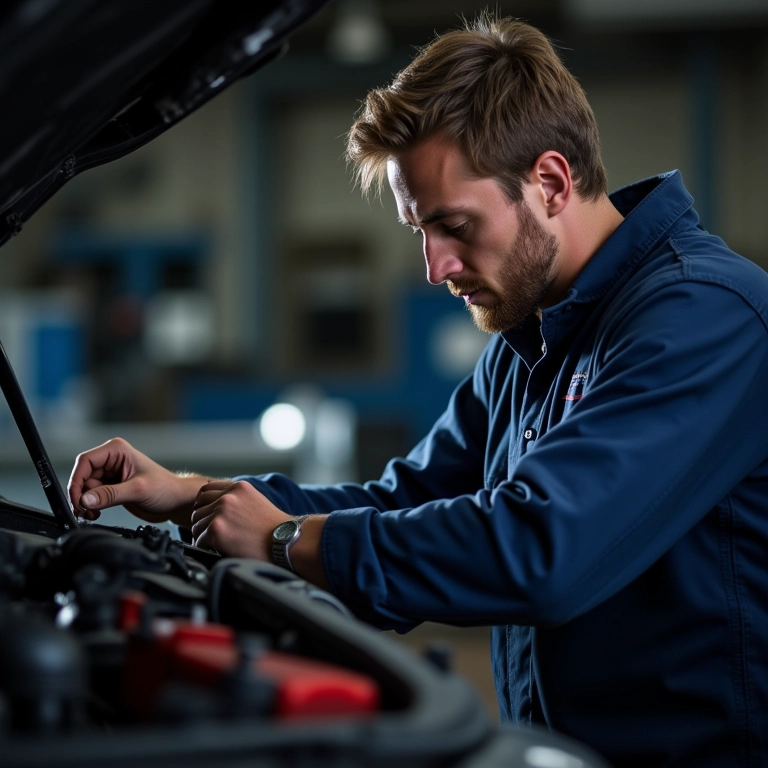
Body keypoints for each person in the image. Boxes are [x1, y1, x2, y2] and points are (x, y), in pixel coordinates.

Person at [68, 12, 768, 767]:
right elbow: (405, 501)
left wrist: (280, 539)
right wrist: (197, 493)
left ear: (552, 182)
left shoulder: (707, 317)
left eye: (455, 225)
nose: (435, 267)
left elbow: (540, 550)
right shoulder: (531, 340)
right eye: (418, 231)